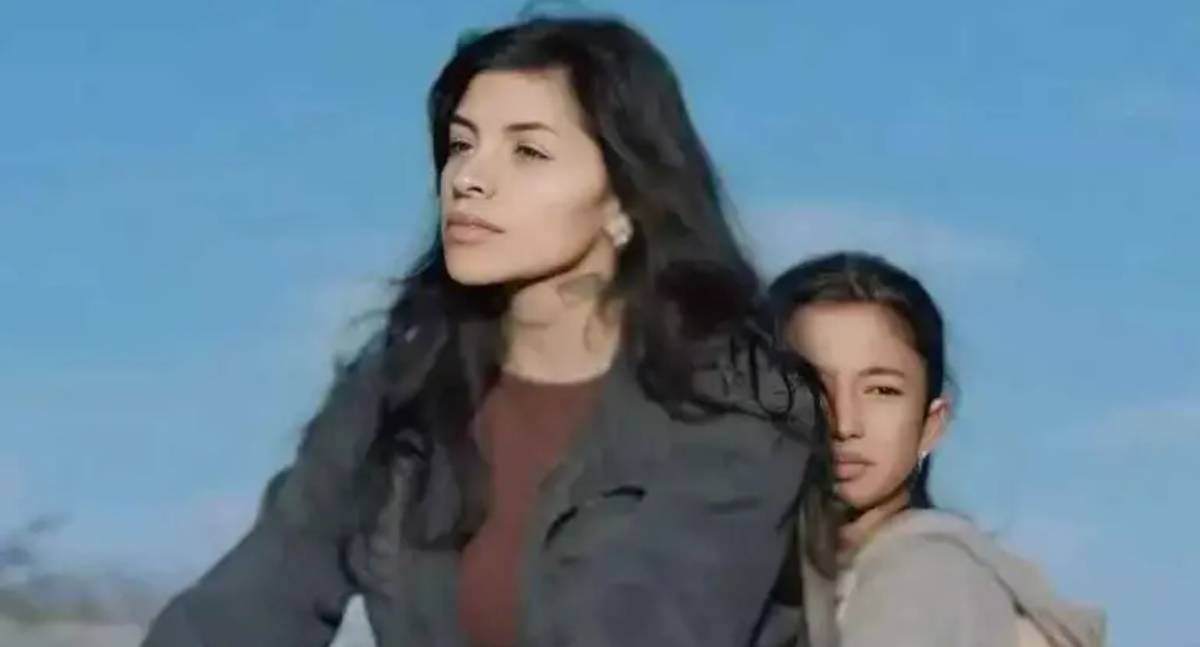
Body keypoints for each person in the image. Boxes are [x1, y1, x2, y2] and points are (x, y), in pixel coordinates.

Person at [143, 15, 828, 647]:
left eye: (527, 151)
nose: (469, 178)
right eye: (461, 144)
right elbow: (252, 601)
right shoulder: (398, 390)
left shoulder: (735, 400)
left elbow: (652, 624)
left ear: (624, 197)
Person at [769, 251, 1105, 647]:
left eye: (882, 391)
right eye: (810, 387)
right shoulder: (789, 577)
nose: (844, 424)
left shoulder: (924, 574)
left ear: (931, 426)